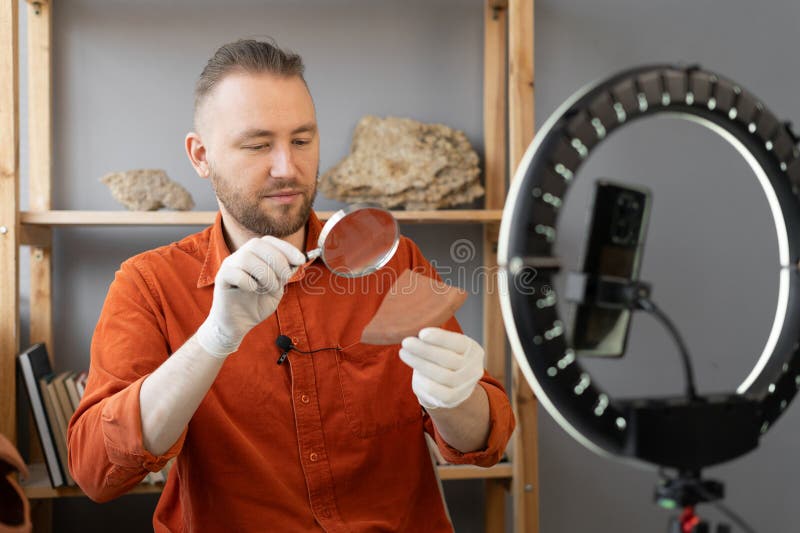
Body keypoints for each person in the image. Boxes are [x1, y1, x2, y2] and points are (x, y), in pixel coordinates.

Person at [67, 39, 515, 532]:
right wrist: (215, 338)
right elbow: (96, 473)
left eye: (302, 140)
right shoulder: (149, 284)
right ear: (201, 155)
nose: (287, 167)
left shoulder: (392, 261)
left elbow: (482, 443)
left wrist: (454, 398)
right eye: (258, 145)